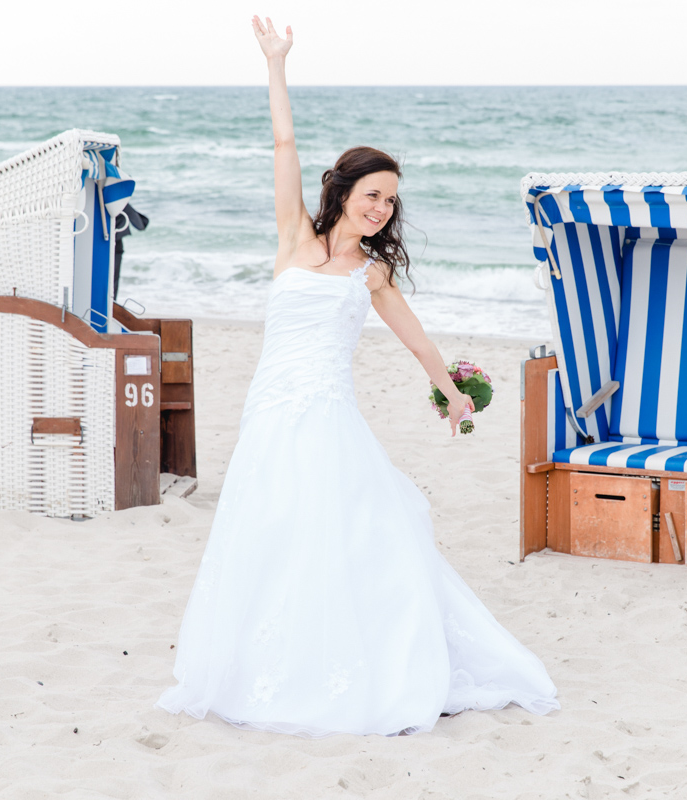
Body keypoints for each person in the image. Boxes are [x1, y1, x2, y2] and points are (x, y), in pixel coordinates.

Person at [155, 17, 558, 738]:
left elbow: (418, 343)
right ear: (342, 191)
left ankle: (357, 659)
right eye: (373, 193)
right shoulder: (294, 241)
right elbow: (284, 145)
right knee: (271, 531)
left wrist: (455, 394)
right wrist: (275, 64)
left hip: (328, 416)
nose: (382, 207)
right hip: (270, 412)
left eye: (392, 199)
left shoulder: (372, 274)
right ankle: (269, 661)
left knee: (343, 533)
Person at [112, 204, 149, 300]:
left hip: (106, 240)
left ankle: (110, 305)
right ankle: (111, 305)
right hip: (115, 241)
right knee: (113, 279)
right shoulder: (118, 200)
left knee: (107, 279)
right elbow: (140, 225)